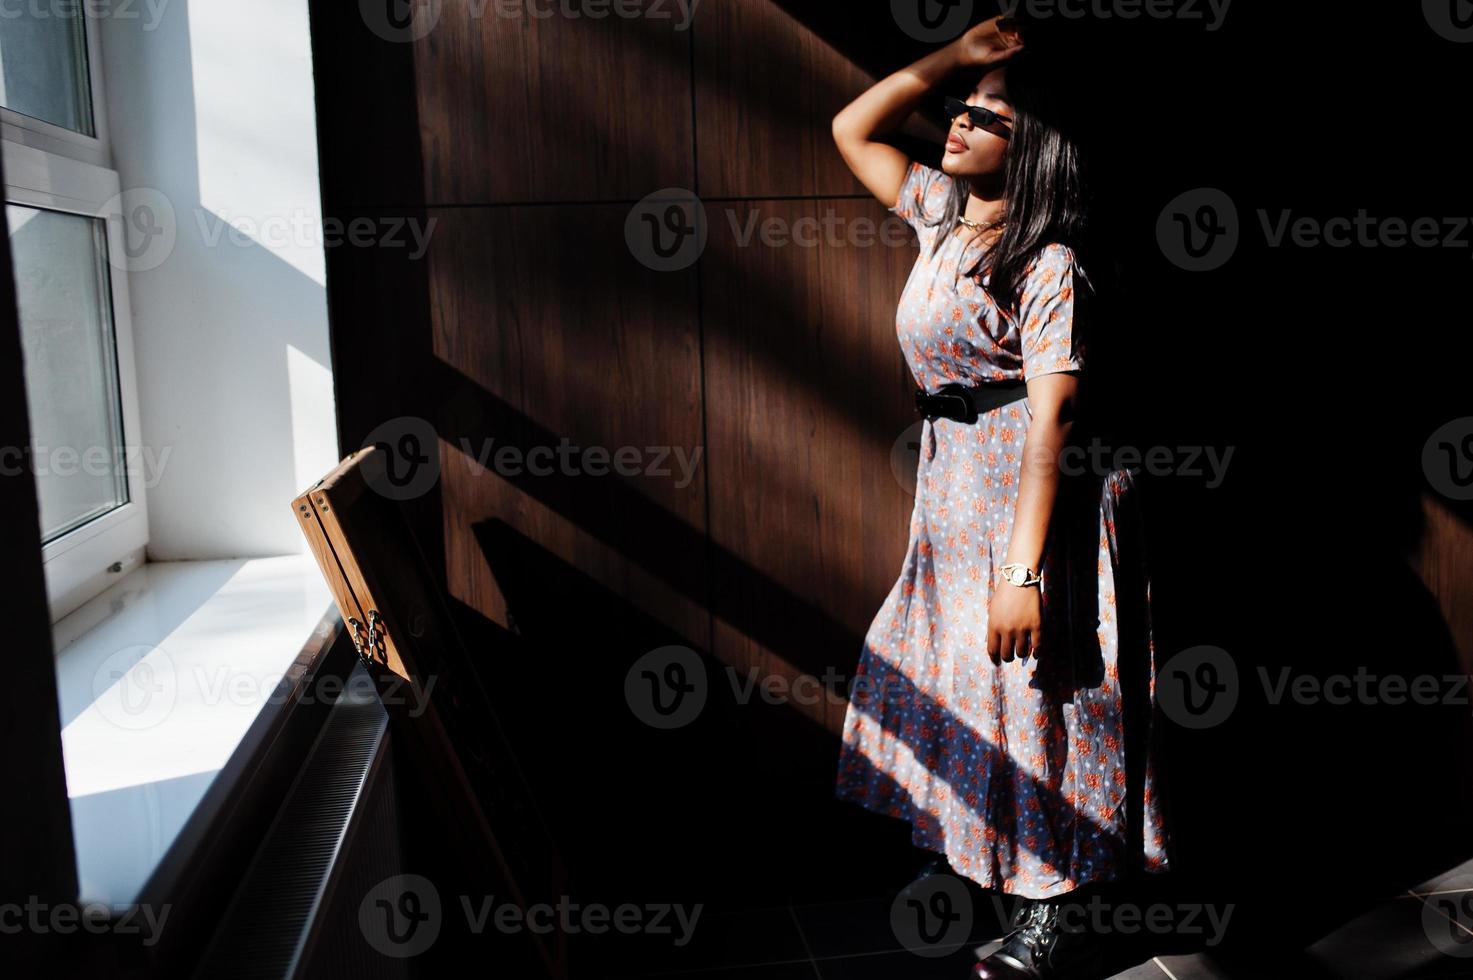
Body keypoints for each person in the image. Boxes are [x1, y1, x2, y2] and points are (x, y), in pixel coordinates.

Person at [830, 16, 1172, 979]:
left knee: (1038, 696)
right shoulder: (941, 212)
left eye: (988, 120)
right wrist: (954, 62)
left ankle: (1054, 912)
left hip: (1029, 497)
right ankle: (1011, 879)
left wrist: (1022, 571)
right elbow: (852, 128)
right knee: (977, 690)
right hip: (955, 483)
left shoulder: (1047, 260)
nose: (957, 123)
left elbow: (1052, 424)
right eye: (960, 111)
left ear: (1037, 155)